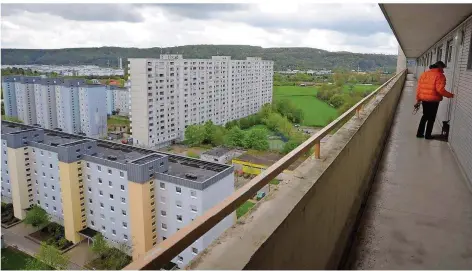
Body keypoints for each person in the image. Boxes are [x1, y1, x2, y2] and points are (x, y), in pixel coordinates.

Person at [415, 61, 454, 139]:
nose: (443, 69)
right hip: (433, 100)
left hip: (424, 99)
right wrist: (450, 95)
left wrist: (418, 99)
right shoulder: (440, 76)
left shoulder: (424, 74)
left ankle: (419, 134)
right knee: (431, 118)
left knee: (425, 116)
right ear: (440, 67)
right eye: (443, 67)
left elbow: (419, 88)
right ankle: (427, 135)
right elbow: (440, 90)